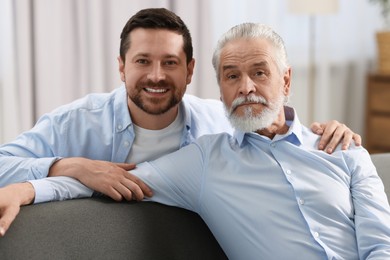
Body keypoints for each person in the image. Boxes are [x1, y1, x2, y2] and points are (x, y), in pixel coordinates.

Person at [0, 9, 360, 234]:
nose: (156, 76)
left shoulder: (219, 125)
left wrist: (327, 134)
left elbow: (271, 126)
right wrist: (72, 166)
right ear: (121, 66)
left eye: (170, 63)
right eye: (142, 61)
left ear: (189, 71)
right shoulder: (76, 122)